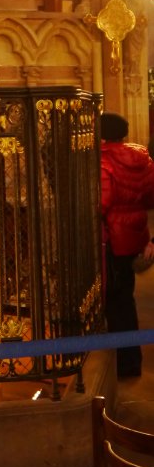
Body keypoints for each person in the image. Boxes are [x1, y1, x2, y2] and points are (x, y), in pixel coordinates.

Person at [100, 112, 154, 377]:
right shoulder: (142, 158)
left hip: (112, 238)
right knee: (125, 297)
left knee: (115, 302)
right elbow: (150, 197)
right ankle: (130, 360)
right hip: (135, 235)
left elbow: (102, 202)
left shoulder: (103, 160)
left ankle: (125, 362)